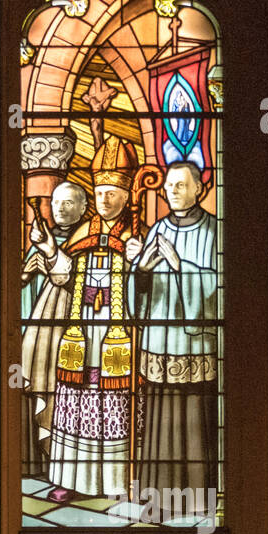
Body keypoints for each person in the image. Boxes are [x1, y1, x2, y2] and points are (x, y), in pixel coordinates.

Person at [33, 132, 145, 501]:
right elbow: (63, 277)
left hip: (118, 337)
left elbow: (148, 289)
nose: (105, 199)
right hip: (81, 335)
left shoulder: (136, 234)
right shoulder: (82, 232)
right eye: (100, 193)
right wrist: (50, 250)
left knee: (112, 406)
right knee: (75, 404)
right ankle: (72, 481)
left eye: (112, 194)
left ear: (127, 196)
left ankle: (113, 483)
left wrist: (137, 261)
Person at [130, 162, 219, 495]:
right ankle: (156, 492)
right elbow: (139, 289)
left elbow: (219, 287)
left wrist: (181, 266)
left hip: (193, 343)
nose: (172, 192)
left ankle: (197, 496)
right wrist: (142, 271)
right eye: (168, 187)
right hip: (158, 337)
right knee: (160, 414)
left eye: (180, 185)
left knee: (194, 417)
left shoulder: (213, 231)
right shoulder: (157, 230)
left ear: (200, 188)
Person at [20, 180, 88, 479]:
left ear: (84, 208)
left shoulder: (88, 239)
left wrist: (50, 254)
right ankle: (39, 462)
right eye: (57, 202)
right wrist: (27, 272)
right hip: (41, 334)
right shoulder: (42, 239)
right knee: (38, 388)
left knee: (67, 395)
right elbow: (21, 290)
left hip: (73, 332)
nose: (60, 207)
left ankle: (64, 467)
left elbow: (76, 284)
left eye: (69, 202)